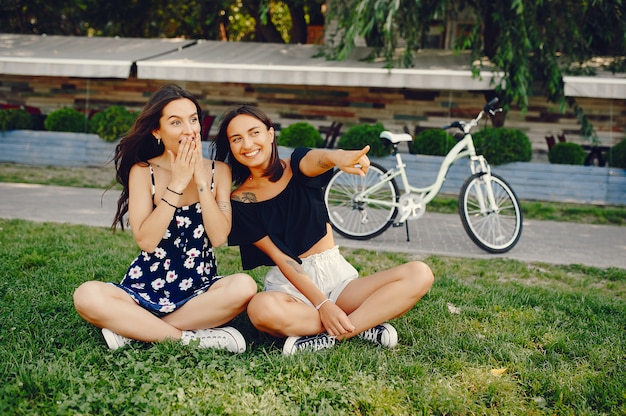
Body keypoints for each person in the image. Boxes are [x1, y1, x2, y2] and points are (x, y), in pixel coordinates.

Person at [214, 105, 434, 355]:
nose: (248, 144)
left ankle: (339, 332)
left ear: (270, 134)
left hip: (337, 280)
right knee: (260, 310)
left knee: (420, 273)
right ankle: (361, 323)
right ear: (230, 146)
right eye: (236, 138)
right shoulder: (241, 200)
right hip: (291, 288)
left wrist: (338, 156)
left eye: (254, 133)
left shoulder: (296, 165)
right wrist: (322, 303)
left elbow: (318, 159)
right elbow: (282, 258)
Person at [73, 84, 257, 353]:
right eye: (176, 122)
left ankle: (137, 330)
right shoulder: (143, 171)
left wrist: (200, 179)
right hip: (146, 284)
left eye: (193, 119)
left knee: (244, 286)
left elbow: (218, 237)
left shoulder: (220, 171)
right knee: (86, 295)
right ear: (157, 131)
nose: (189, 129)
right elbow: (146, 241)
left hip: (201, 287)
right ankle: (187, 338)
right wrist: (178, 183)